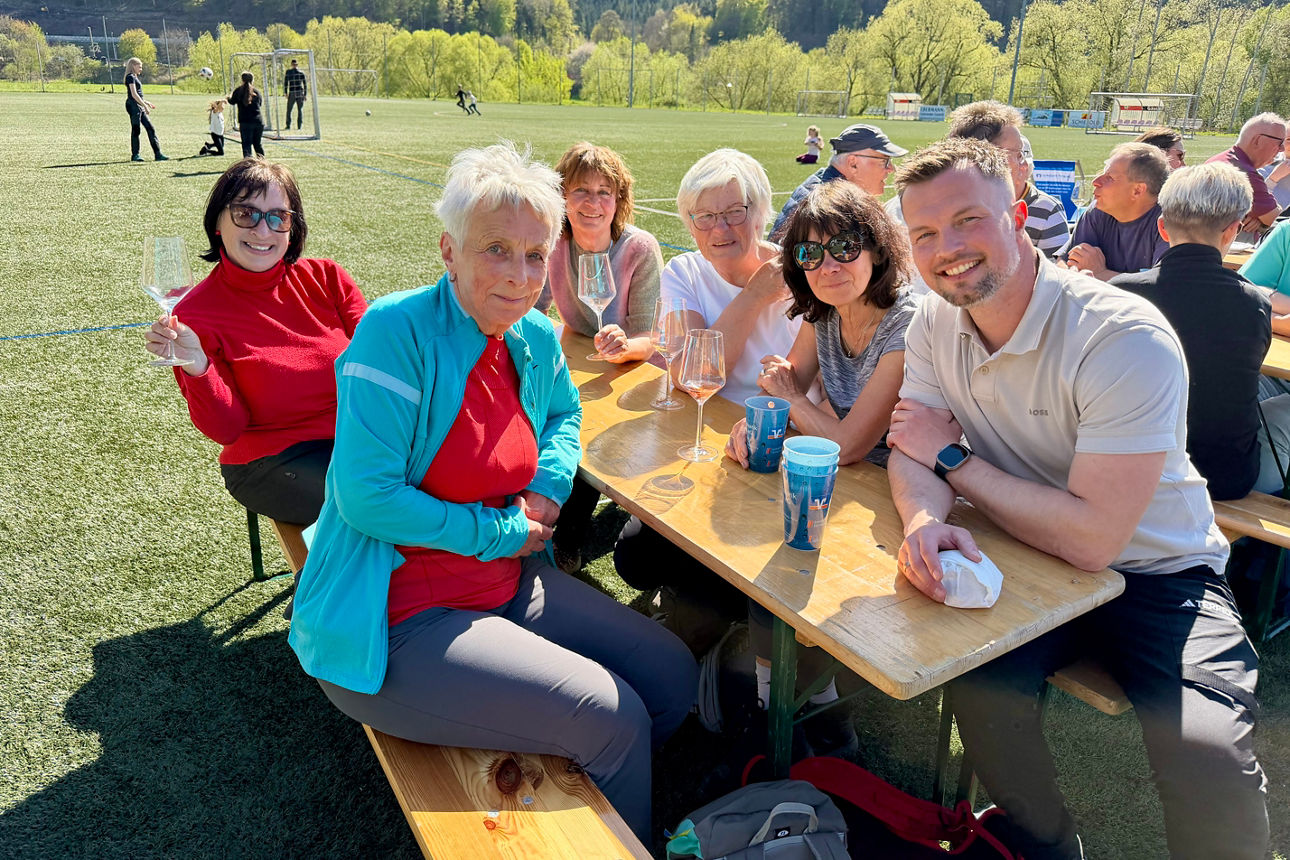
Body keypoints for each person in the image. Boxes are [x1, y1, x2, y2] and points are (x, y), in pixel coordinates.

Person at [286, 142, 697, 844]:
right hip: (395, 619)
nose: (520, 274)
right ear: (449, 250)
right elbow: (365, 498)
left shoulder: (532, 336)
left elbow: (566, 415)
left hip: (505, 585)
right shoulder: (395, 331)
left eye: (536, 255)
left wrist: (547, 483)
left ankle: (595, 802)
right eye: (496, 249)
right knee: (617, 716)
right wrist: (501, 533)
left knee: (673, 673)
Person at [888, 136, 1267, 860]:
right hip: (1021, 551)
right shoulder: (935, 318)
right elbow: (913, 447)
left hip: (1161, 572)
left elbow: (1095, 539)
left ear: (1020, 215)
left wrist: (953, 460)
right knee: (976, 685)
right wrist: (924, 519)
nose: (948, 247)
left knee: (1207, 752)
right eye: (926, 233)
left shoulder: (1122, 336)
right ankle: (1046, 844)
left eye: (969, 219)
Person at [724, 179, 917, 758]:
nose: (827, 264)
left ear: (877, 248)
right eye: (809, 253)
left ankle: (817, 707)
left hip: (903, 484)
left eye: (845, 245)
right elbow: (790, 394)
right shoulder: (824, 310)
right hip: (848, 478)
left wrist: (789, 399)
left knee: (792, 562)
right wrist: (755, 422)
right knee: (769, 554)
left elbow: (853, 441)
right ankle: (781, 698)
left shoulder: (905, 322)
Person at [615, 148, 802, 652]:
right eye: (704, 217)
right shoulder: (685, 273)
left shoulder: (803, 276)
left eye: (734, 212)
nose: (720, 229)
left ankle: (705, 630)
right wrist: (753, 297)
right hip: (703, 438)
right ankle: (702, 611)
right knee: (635, 557)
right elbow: (693, 374)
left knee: (715, 577)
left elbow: (807, 388)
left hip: (779, 446)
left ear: (761, 212)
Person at [144, 159, 366, 525]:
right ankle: (328, 583)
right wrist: (197, 366)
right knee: (369, 508)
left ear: (292, 229)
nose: (264, 230)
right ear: (218, 222)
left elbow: (380, 362)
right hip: (272, 460)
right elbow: (226, 430)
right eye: (246, 213)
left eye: (279, 216)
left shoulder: (327, 278)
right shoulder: (193, 316)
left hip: (356, 440)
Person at [1112, 162, 1288, 498]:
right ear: (1232, 232)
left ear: (1162, 228)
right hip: (1224, 477)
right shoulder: (1252, 303)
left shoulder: (1120, 292)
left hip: (1129, 467)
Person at [535, 142, 664, 572]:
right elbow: (534, 311)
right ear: (562, 199)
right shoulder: (555, 244)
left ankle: (565, 544)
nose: (593, 202)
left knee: (586, 437)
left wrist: (624, 346)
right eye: (580, 192)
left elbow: (650, 337)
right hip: (578, 360)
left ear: (618, 199)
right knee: (556, 419)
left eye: (603, 191)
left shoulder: (639, 248)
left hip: (633, 372)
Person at [944, 100, 1071, 258]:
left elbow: (1055, 276)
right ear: (986, 156)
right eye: (1018, 154)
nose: (1024, 163)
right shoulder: (939, 205)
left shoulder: (1046, 210)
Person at [771, 123, 907, 239]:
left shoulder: (822, 184)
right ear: (853, 163)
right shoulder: (834, 206)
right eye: (884, 161)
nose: (891, 168)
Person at [1056, 142, 1169, 280]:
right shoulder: (1099, 210)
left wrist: (1100, 273)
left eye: (1109, 177)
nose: (1096, 181)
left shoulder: (1168, 223)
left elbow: (1163, 287)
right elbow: (1064, 262)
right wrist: (1072, 273)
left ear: (1137, 190)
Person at [1205, 112, 1287, 234]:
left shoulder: (1221, 159)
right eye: (1280, 143)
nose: (1282, 149)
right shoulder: (1244, 173)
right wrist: (1262, 221)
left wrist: (1260, 219)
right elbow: (1279, 223)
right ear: (1258, 140)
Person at [123, 57, 167, 162]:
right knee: (136, 129)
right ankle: (135, 155)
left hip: (138, 105)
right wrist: (144, 106)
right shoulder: (130, 77)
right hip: (133, 106)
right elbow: (133, 94)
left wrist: (146, 102)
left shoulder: (135, 77)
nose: (141, 69)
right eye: (139, 66)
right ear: (133, 66)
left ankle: (158, 154)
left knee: (150, 128)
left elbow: (138, 94)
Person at [229, 72, 265, 159]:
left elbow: (232, 101)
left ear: (242, 80)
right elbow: (260, 104)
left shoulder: (238, 91)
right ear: (252, 80)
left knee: (246, 144)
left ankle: (248, 163)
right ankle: (263, 162)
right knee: (257, 144)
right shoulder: (256, 92)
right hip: (258, 121)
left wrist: (228, 98)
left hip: (245, 122)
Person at [283, 59, 308, 131]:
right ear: (292, 64)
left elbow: (305, 84)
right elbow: (286, 83)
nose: (294, 66)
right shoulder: (289, 72)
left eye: (295, 64)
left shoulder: (300, 73)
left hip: (299, 92)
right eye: (293, 64)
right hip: (293, 92)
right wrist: (285, 92)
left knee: (299, 110)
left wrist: (305, 94)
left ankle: (299, 126)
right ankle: (288, 125)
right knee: (289, 109)